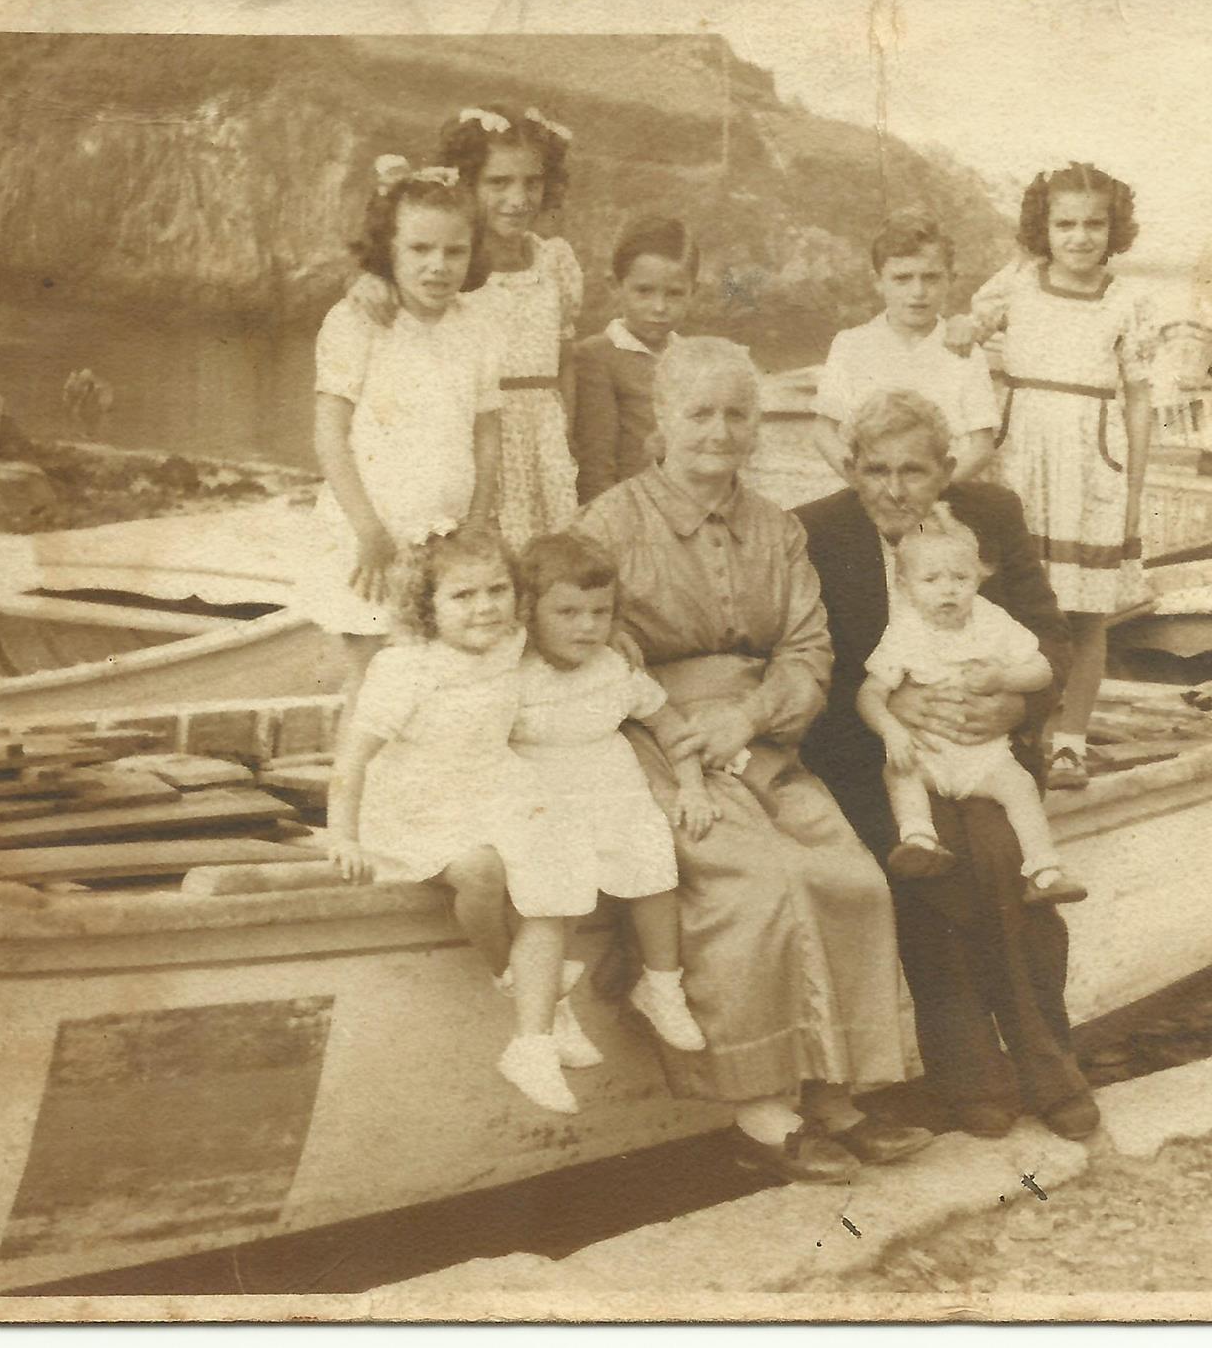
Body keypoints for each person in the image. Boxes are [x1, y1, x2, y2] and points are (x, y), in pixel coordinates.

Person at [574, 336, 933, 1183]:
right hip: (654, 741)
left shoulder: (777, 528)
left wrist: (748, 717)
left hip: (758, 736)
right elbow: (591, 649)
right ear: (663, 418)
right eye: (699, 412)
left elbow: (807, 648)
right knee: (756, 884)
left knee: (849, 876)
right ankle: (762, 1113)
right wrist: (678, 727)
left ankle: (836, 1093)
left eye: (738, 413)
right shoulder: (608, 524)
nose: (719, 430)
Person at [797, 389, 1100, 1142]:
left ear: (946, 470)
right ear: (851, 469)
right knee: (929, 868)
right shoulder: (817, 533)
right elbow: (812, 667)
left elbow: (1051, 639)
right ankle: (971, 1075)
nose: (893, 489)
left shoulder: (990, 515)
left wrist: (1015, 705)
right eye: (875, 470)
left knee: (1004, 853)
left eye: (913, 470)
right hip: (881, 756)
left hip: (986, 746)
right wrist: (890, 711)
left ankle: (1049, 1065)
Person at [322, 527, 595, 1099]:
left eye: (497, 590)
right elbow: (352, 759)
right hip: (417, 804)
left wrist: (620, 647)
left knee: (562, 857)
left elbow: (575, 631)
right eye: (463, 596)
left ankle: (533, 1040)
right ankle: (516, 978)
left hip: (495, 788)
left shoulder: (512, 642)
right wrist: (342, 837)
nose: (485, 607)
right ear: (427, 608)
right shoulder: (406, 670)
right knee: (481, 870)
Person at [494, 532, 717, 1114]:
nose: (587, 626)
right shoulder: (510, 672)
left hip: (609, 783)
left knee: (653, 864)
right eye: (567, 612)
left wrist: (691, 784)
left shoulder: (614, 667)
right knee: (552, 888)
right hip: (538, 791)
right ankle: (548, 1016)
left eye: (600, 612)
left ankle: (661, 986)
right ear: (529, 611)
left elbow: (669, 723)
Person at [959, 162, 1157, 790]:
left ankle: (1070, 742)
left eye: (1094, 224)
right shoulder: (1016, 284)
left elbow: (1140, 400)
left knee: (1085, 613)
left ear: (1113, 228)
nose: (1079, 237)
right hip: (1021, 458)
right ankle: (1011, 731)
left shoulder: (1127, 302)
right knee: (1008, 599)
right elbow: (961, 338)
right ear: (1042, 228)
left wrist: (1134, 489)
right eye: (1065, 224)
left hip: (1092, 462)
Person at [297, 157, 504, 709]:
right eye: (419, 249)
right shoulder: (359, 322)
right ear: (389, 249)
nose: (438, 265)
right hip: (373, 532)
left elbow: (487, 436)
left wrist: (476, 524)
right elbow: (330, 437)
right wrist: (368, 531)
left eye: (455, 251)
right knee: (373, 676)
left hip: (446, 534)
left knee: (437, 668)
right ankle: (357, 767)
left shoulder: (478, 328)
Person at [350, 105, 581, 548]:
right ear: (468, 183)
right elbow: (393, 286)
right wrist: (370, 282)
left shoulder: (555, 261)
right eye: (499, 182)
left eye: (532, 182)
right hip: (470, 434)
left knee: (541, 557)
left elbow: (565, 360)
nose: (519, 198)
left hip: (541, 442)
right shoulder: (450, 268)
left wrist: (562, 433)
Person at [856, 498, 1085, 907]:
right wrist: (892, 730)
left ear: (979, 577)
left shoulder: (993, 622)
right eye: (931, 579)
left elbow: (1042, 670)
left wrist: (1005, 678)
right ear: (905, 586)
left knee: (1019, 787)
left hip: (985, 759)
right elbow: (870, 693)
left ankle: (1045, 869)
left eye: (960, 577)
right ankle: (919, 839)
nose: (948, 589)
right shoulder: (905, 631)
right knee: (899, 772)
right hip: (928, 755)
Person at [811, 210, 999, 482]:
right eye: (902, 279)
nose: (918, 292)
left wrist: (929, 491)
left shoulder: (963, 350)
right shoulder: (852, 345)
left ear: (950, 279)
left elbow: (981, 447)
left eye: (931, 278)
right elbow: (823, 432)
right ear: (878, 282)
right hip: (871, 489)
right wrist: (865, 484)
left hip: (943, 488)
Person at [569, 215, 697, 502]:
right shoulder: (596, 357)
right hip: (631, 509)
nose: (659, 307)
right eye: (644, 291)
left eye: (675, 294)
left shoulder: (694, 357)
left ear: (694, 292)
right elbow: (595, 465)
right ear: (614, 286)